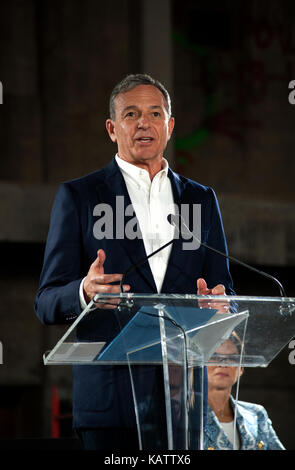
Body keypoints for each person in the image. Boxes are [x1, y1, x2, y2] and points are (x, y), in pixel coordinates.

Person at [34, 73, 235, 450]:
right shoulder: (79, 197)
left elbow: (225, 290)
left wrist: (221, 304)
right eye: (131, 114)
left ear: (170, 126)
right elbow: (45, 301)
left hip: (183, 403)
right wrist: (83, 291)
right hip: (111, 404)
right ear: (112, 129)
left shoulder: (201, 201)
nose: (144, 122)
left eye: (155, 113)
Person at [204, 337, 285, 450]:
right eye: (214, 357)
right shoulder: (184, 416)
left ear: (241, 367)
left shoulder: (256, 414)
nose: (223, 364)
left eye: (232, 358)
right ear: (199, 364)